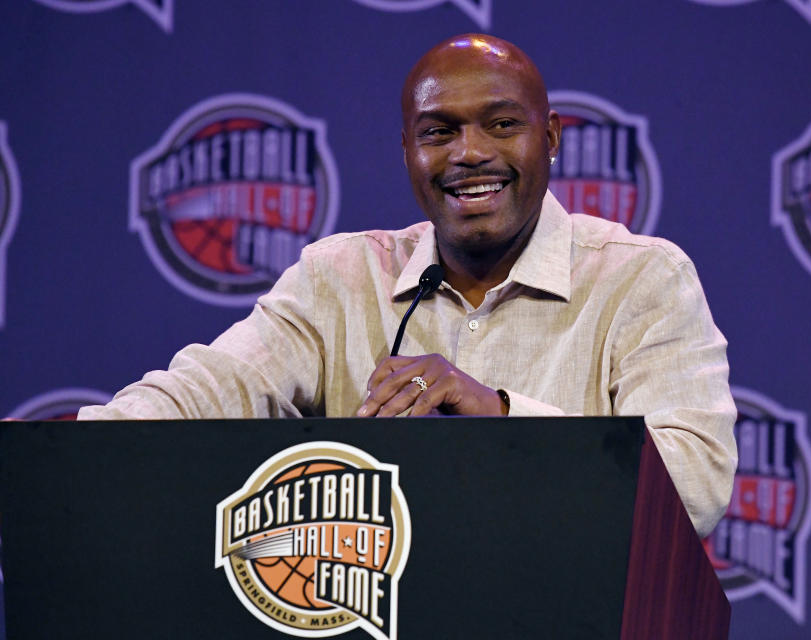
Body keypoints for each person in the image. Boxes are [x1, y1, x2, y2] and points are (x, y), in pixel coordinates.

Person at [78, 34, 737, 537]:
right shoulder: (340, 278)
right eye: (438, 131)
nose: (469, 152)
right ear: (407, 152)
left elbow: (695, 485)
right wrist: (62, 449)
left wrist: (502, 414)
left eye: (502, 124)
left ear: (552, 136)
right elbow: (213, 387)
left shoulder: (641, 278)